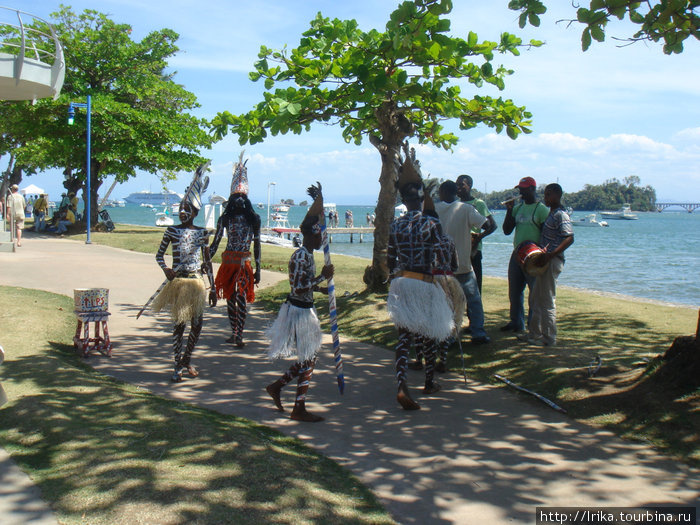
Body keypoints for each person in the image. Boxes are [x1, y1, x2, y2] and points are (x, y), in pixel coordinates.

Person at [387, 145, 454, 410]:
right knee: (427, 333)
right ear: (421, 199)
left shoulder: (396, 225)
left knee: (404, 335)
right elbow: (443, 257)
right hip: (425, 283)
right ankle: (428, 382)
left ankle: (402, 383)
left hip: (402, 281)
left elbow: (389, 259)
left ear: (405, 202)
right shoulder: (431, 224)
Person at [265, 183, 334, 422]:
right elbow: (297, 287)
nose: (320, 239)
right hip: (298, 311)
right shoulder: (300, 256)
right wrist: (321, 278)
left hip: (303, 308)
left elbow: (305, 285)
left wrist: (320, 287)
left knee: (308, 358)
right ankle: (298, 406)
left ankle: (278, 387)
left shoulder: (307, 255)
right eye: (317, 235)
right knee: (309, 358)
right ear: (307, 234)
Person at [151, 163, 216, 382]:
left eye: (187, 209)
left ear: (195, 212)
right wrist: (166, 269)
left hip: (196, 283)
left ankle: (186, 359)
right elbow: (159, 255)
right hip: (178, 282)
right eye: (180, 207)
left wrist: (213, 288)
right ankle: (177, 365)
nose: (182, 211)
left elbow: (207, 262)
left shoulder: (202, 233)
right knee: (179, 325)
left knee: (197, 326)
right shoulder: (171, 231)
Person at [210, 153, 261, 347]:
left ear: (246, 199)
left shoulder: (254, 219)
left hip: (243, 263)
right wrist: (207, 256)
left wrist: (258, 269)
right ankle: (235, 332)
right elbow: (215, 242)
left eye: (242, 197)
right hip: (229, 263)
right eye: (236, 197)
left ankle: (239, 334)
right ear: (231, 199)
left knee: (241, 298)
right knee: (230, 299)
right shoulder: (224, 219)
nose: (239, 200)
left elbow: (257, 244)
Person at [435, 180, 491, 344]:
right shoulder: (467, 209)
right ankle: (478, 332)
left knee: (447, 302)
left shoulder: (435, 210)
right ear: (456, 193)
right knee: (473, 300)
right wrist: (476, 237)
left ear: (442, 192)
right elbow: (487, 224)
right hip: (463, 264)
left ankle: (448, 335)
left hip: (441, 266)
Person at [518, 183, 574, 346]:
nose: (546, 198)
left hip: (551, 261)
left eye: (549, 195)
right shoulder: (552, 213)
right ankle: (534, 334)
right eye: (545, 194)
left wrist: (551, 255)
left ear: (557, 195)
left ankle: (549, 338)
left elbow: (569, 237)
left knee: (547, 301)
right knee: (535, 298)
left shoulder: (561, 215)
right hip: (544, 260)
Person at [501, 177, 550, 333]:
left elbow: (546, 234)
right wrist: (509, 210)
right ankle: (516, 323)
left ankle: (533, 325)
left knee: (534, 292)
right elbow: (507, 230)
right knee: (514, 292)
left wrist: (541, 255)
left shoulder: (541, 209)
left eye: (524, 189)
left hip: (534, 256)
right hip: (517, 254)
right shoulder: (518, 208)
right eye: (519, 189)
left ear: (533, 189)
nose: (520, 192)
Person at [456, 174, 496, 293]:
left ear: (469, 186)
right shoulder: (455, 205)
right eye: (456, 185)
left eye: (461, 185)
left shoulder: (478, 203)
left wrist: (478, 238)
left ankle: (475, 311)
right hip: (459, 250)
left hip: (474, 250)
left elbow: (492, 225)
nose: (458, 187)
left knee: (475, 287)